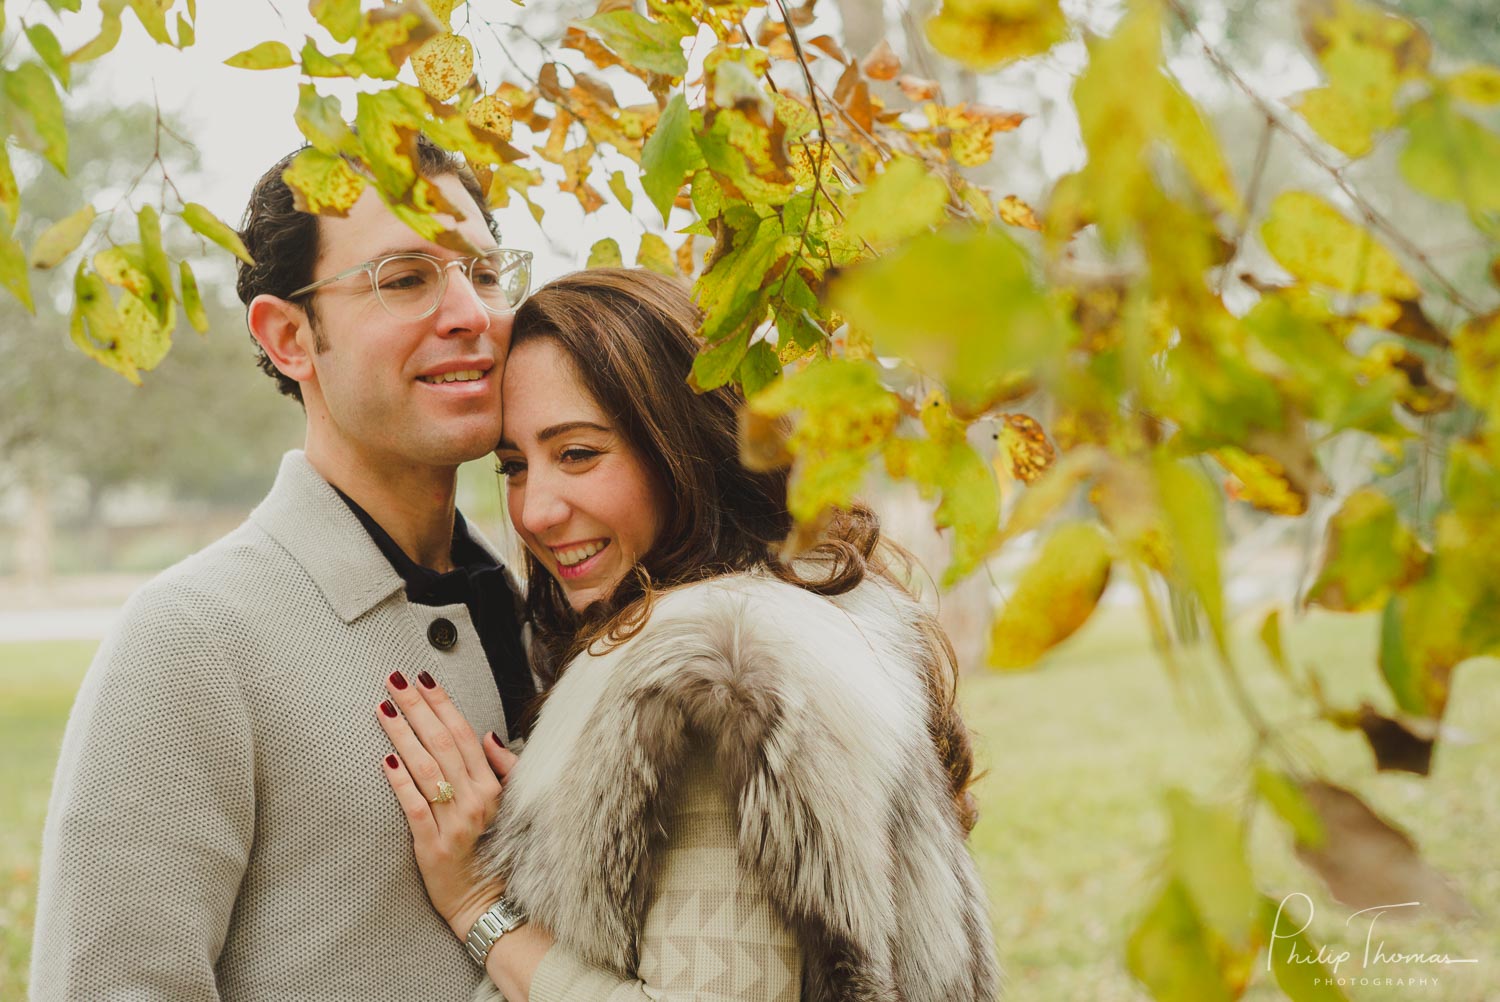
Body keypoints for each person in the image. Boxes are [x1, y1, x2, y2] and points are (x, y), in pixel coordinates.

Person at [376, 269, 1000, 1001]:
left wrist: (480, 907)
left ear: (683, 448)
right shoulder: (803, 621)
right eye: (514, 466)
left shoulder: (719, 675)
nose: (535, 511)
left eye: (578, 453)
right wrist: (557, 825)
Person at [30, 137, 536, 1001]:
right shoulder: (191, 641)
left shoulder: (547, 619)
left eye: (485, 274)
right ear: (291, 336)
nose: (470, 313)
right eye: (406, 278)